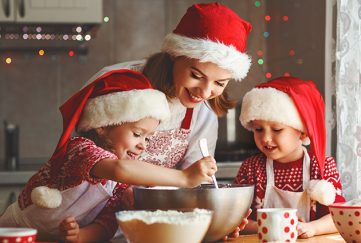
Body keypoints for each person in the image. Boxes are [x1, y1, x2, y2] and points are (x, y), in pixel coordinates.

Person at [59, 2, 253, 242]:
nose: (204, 92)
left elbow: (190, 187)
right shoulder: (116, 84)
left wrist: (218, 223)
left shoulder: (203, 115)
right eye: (196, 75)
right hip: (81, 227)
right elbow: (75, 154)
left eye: (220, 83)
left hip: (151, 229)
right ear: (174, 56)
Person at [0, 69, 217, 241]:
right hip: (12, 231)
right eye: (137, 134)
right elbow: (118, 169)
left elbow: (106, 224)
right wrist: (184, 178)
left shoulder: (120, 186)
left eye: (148, 138)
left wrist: (80, 236)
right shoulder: (81, 149)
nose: (143, 145)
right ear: (103, 126)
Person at [234, 76, 345, 238]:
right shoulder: (251, 168)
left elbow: (338, 217)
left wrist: (311, 228)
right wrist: (272, 226)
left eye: (277, 129)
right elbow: (236, 219)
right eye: (258, 129)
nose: (266, 138)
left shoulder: (321, 167)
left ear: (303, 131)